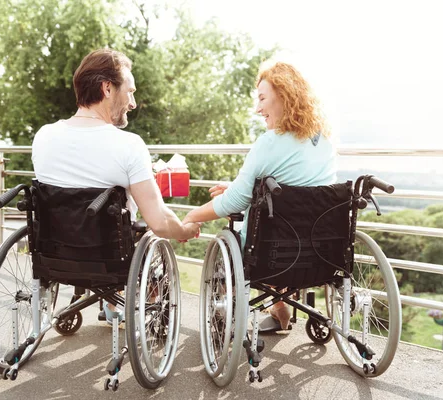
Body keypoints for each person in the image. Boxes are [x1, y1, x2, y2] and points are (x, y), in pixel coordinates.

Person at [32, 48, 201, 325]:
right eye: (130, 92)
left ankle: (111, 304)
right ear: (107, 88)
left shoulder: (44, 136)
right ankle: (124, 303)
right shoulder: (128, 145)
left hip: (53, 255)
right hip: (109, 259)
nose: (132, 103)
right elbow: (158, 221)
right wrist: (184, 229)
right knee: (135, 225)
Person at [182, 61, 338, 331]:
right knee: (280, 230)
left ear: (285, 96)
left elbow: (234, 203)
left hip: (275, 253)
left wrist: (192, 215)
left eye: (262, 98)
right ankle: (280, 310)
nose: (258, 109)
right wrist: (235, 188)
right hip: (322, 251)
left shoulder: (268, 143)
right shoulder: (324, 140)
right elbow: (295, 182)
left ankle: (261, 311)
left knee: (254, 235)